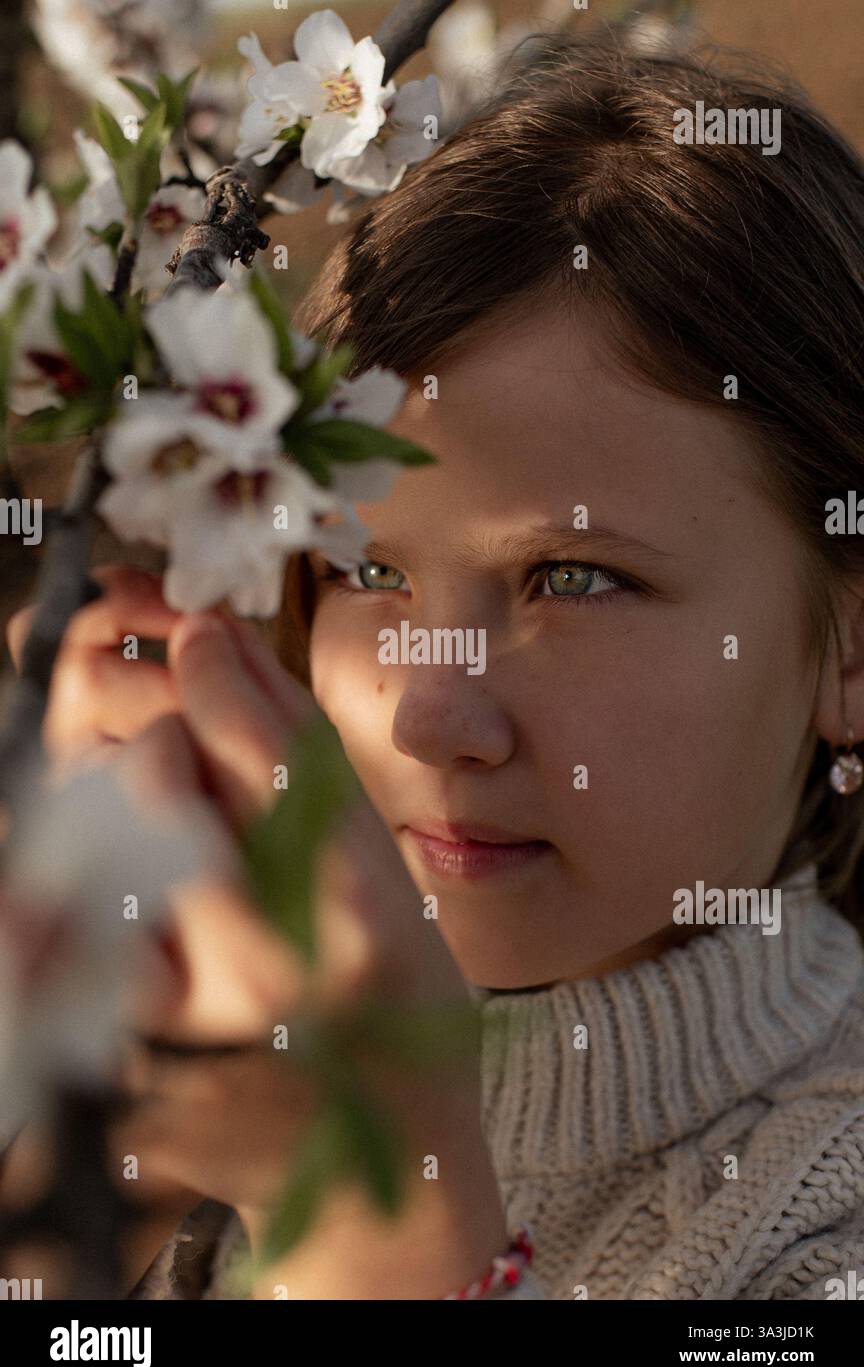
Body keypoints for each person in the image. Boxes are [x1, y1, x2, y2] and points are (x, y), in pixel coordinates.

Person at [6, 29, 864, 1299]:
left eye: (574, 579)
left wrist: (376, 1216)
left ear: (847, 646)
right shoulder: (213, 1127)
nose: (428, 714)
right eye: (366, 570)